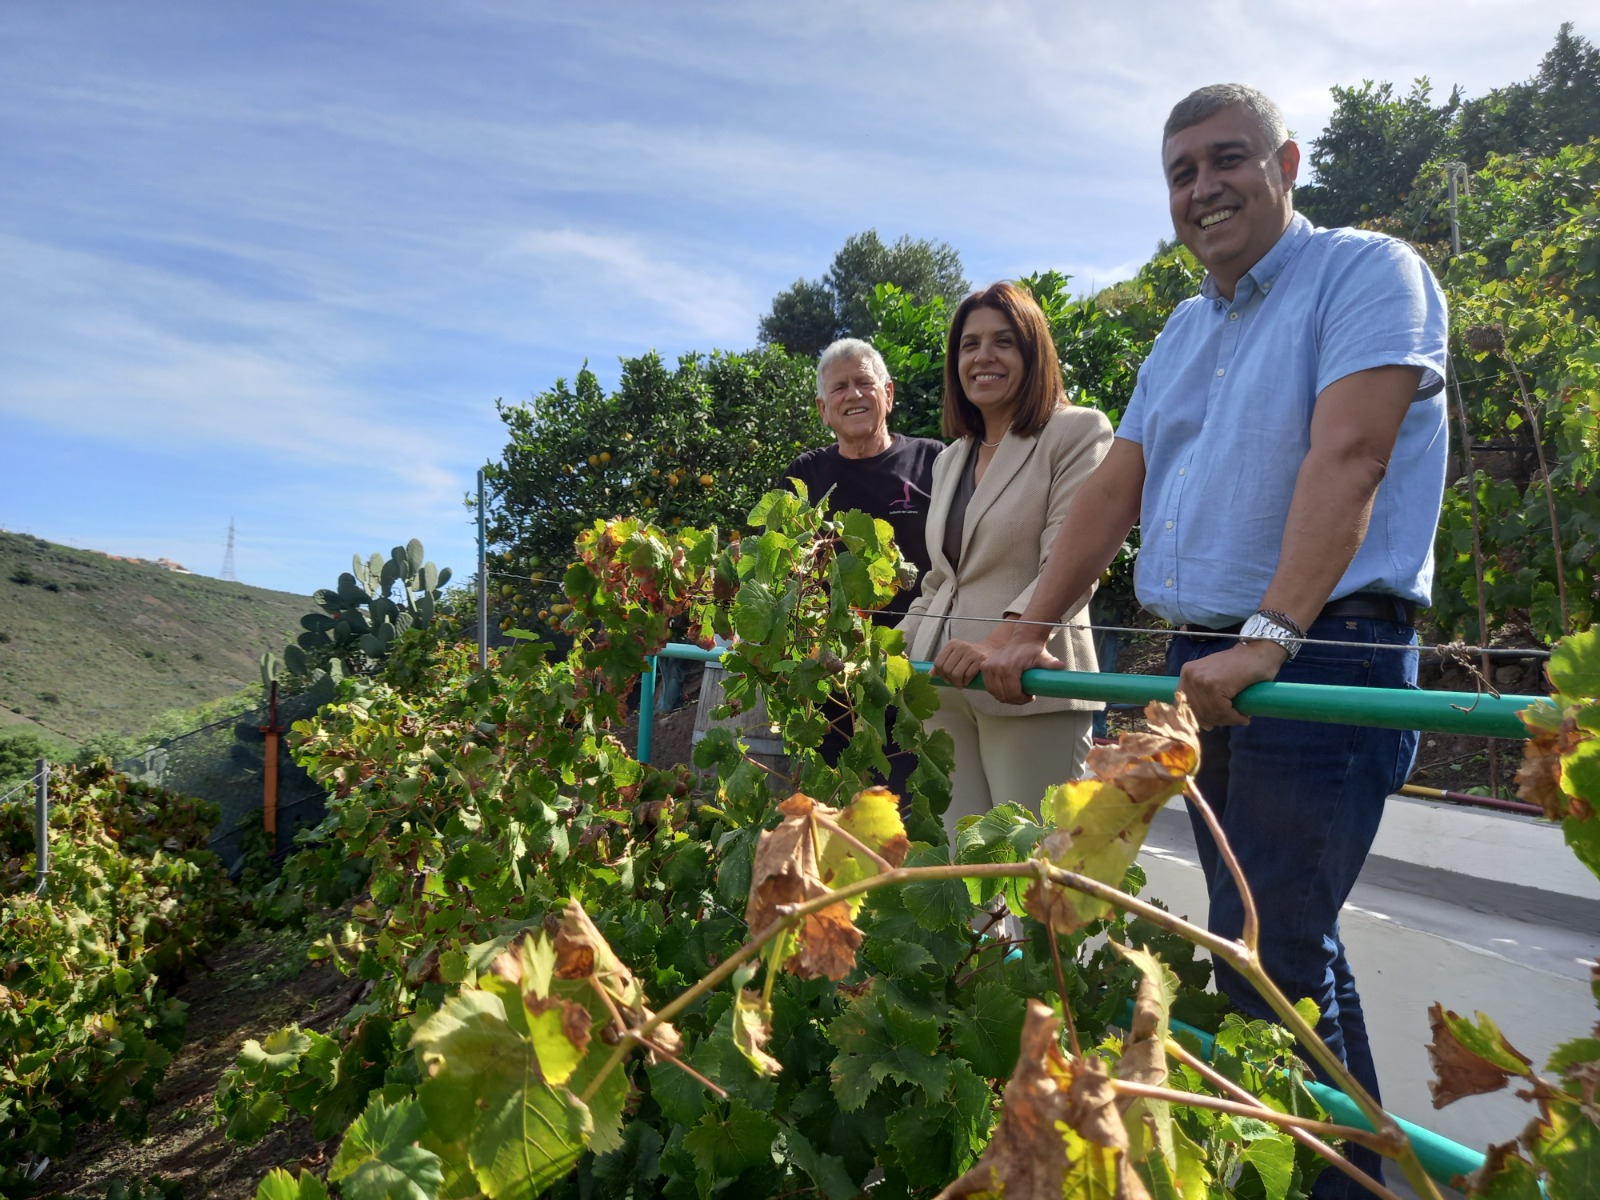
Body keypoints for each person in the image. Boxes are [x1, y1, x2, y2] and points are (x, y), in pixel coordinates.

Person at [975, 84, 1448, 1197]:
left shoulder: (1367, 272)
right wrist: (1025, 622)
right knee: (1272, 950)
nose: (1201, 189)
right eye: (1179, 173)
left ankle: (1337, 1185)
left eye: (1224, 160)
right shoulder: (1185, 328)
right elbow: (1114, 491)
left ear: (1284, 161)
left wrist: (1270, 635)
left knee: (1270, 958)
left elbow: (1352, 456)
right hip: (1216, 665)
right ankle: (1368, 1181)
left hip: (1321, 654)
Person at [899, 282, 1112, 834]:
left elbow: (1071, 557)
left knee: (1037, 874)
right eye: (969, 345)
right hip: (943, 686)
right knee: (964, 873)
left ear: (1033, 352)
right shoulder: (950, 459)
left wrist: (1004, 640)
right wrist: (876, 652)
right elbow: (939, 582)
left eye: (1004, 342)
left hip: (1027, 688)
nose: (982, 357)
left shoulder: (1076, 432)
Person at [783, 339, 944, 795]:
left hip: (923, 674)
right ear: (822, 408)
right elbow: (782, 574)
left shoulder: (935, 461)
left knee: (923, 813)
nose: (852, 395)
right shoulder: (805, 475)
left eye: (864, 383)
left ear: (888, 394)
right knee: (844, 812)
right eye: (839, 388)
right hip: (835, 683)